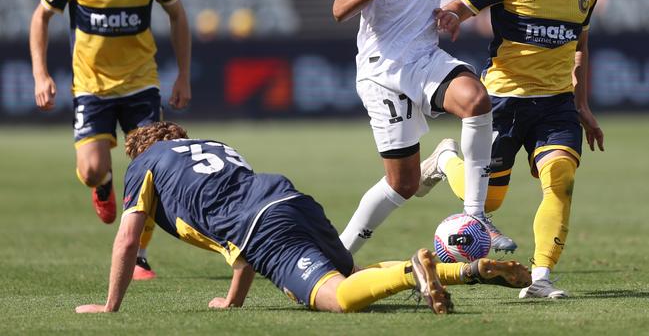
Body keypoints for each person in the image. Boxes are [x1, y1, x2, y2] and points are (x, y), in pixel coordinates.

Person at [75, 121, 531, 314]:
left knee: (339, 298)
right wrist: (233, 301)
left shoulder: (144, 164)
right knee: (352, 273)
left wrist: (111, 306)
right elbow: (240, 241)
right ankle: (465, 270)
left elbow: (127, 240)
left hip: (263, 227)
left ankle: (416, 273)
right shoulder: (214, 147)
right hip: (290, 200)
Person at [332, 0, 520, 255]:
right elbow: (340, 8)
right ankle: (338, 255)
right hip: (382, 70)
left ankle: (475, 215)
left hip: (424, 56)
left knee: (476, 100)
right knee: (402, 184)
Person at [428, 0, 605, 298]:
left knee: (560, 179)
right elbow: (464, 3)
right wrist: (452, 14)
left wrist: (582, 105)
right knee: (488, 203)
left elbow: (580, 43)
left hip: (557, 104)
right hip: (505, 100)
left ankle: (541, 277)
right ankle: (445, 159)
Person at [29, 0, 192, 280]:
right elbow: (42, 16)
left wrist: (184, 75)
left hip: (141, 84)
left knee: (153, 171)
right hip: (92, 86)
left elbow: (177, 15)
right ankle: (102, 187)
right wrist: (40, 74)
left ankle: (137, 255)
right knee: (90, 169)